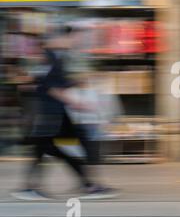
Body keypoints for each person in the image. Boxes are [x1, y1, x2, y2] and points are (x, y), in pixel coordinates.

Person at [11, 27, 116, 200]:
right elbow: (50, 87)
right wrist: (78, 103)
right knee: (58, 148)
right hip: (51, 115)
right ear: (59, 38)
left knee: (51, 149)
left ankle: (85, 184)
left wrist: (78, 81)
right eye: (72, 38)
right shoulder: (49, 57)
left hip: (55, 114)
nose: (74, 42)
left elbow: (42, 82)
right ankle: (87, 184)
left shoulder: (55, 57)